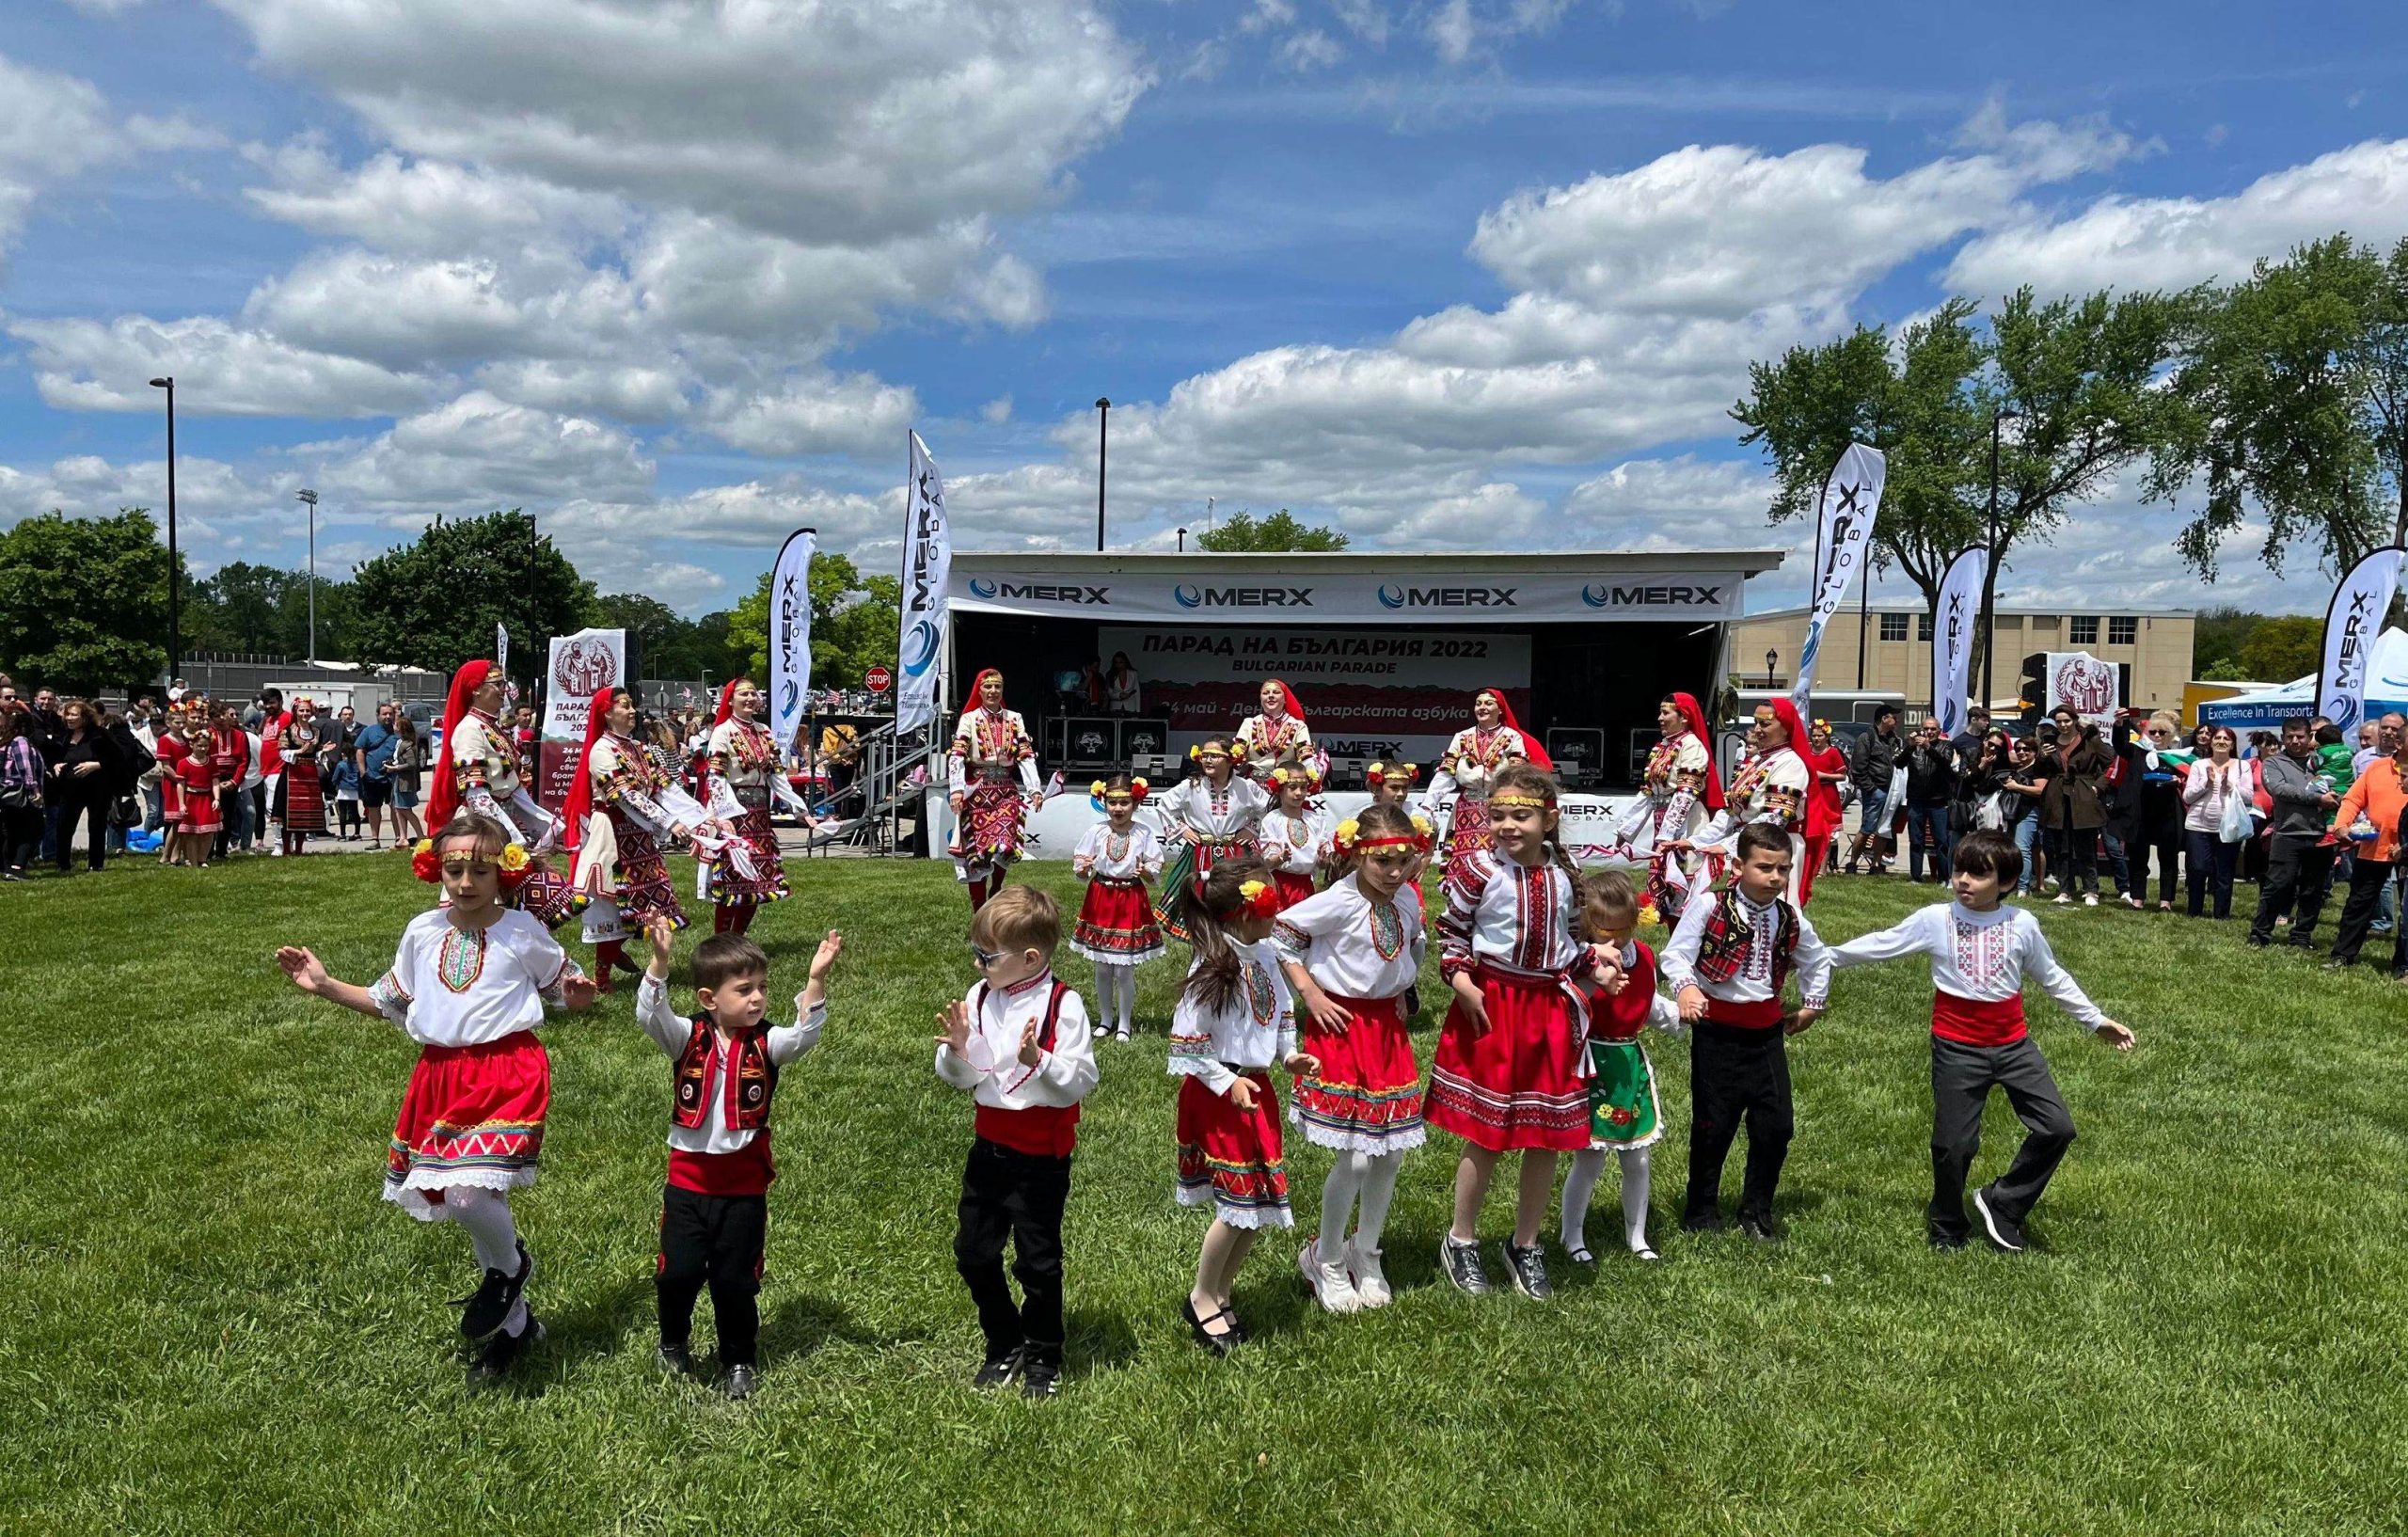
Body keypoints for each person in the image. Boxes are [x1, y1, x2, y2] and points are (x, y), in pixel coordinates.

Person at [274, 813, 597, 1384]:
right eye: (454, 870)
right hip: (439, 1075)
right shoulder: (422, 931)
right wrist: (324, 986)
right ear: (436, 870)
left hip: (507, 1070)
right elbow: (389, 1000)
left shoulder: (523, 931)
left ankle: (511, 1269)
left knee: (470, 1197)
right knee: (466, 1197)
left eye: (480, 871)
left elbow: (566, 991)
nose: (466, 882)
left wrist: (577, 996)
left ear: (504, 873)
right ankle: (516, 1328)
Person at [1828, 830, 2135, 1251]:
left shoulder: (2021, 924)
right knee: (1953, 1145)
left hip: (2014, 1047)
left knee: (2057, 1128)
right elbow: (1883, 944)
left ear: (2005, 882)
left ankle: (2003, 1203)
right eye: (1959, 870)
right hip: (1956, 1048)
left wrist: (2095, 1020)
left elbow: (2052, 976)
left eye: (1978, 874)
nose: (1963, 881)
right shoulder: (1936, 919)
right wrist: (1824, 957)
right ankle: (1947, 1224)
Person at [634, 917, 843, 1401]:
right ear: (709, 999)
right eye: (744, 990)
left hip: (743, 1188)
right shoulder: (686, 1036)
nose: (757, 999)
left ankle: (739, 1359)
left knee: (736, 1281)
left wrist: (815, 980)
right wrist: (660, 963)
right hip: (687, 1185)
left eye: (762, 988)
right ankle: (673, 1342)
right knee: (677, 1272)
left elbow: (804, 1034)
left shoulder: (768, 1042)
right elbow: (651, 1015)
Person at [1429, 763, 1596, 1300]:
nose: (1507, 826)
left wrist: (1596, 965)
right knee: (1488, 1132)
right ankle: (1461, 1238)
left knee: (1546, 1133)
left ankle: (1526, 1243)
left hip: (1548, 1010)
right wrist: (1462, 982)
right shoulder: (1478, 869)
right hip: (1493, 1005)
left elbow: (1570, 939)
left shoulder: (1566, 871)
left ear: (1549, 819)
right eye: (1498, 815)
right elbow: (1451, 932)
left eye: (1520, 816)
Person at [933, 886, 1096, 1399]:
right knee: (973, 1253)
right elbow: (971, 1074)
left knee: (1037, 1262)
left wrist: (1038, 1060)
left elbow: (1080, 1079)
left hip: (1041, 1154)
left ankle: (1044, 1352)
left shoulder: (1063, 1004)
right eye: (976, 953)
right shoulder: (980, 995)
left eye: (988, 956)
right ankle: (1004, 1339)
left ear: (1030, 958)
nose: (978, 964)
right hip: (989, 1145)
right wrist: (959, 1051)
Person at [1273, 804, 1434, 1313]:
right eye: (1382, 861)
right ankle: (1324, 1258)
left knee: (1390, 1154)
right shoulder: (1337, 900)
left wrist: (1402, 990)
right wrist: (1311, 994)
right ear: (1357, 855)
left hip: (1386, 1031)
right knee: (1356, 1155)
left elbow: (1409, 947)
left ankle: (1365, 1250)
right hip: (1342, 1028)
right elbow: (1281, 936)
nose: (1394, 872)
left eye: (1403, 861)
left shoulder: (1406, 897)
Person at [1661, 821, 1832, 1244]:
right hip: (1717, 1033)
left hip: (1766, 1035)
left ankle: (1757, 1210)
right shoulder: (1710, 906)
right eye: (1764, 867)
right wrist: (1686, 989)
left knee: (1776, 1125)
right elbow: (1676, 955)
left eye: (1783, 869)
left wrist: (1812, 1004)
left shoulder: (1789, 917)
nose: (1775, 877)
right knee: (1713, 1124)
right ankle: (1701, 1209)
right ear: (1737, 866)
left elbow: (1817, 959)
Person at [1164, 861, 1311, 1354]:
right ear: (1247, 912)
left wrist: (1288, 1055)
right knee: (1236, 1207)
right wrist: (1228, 1082)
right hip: (1219, 1096)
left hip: (1256, 1091)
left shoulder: (1266, 954)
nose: (1279, 912)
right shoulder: (1212, 964)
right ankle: (1202, 1295)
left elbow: (1283, 1013)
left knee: (1259, 1203)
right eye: (1272, 903)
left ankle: (1222, 1291)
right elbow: (1187, 1045)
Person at [1559, 872, 1681, 1264]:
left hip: (1628, 1063)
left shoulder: (1642, 957)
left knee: (1638, 1158)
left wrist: (1682, 1015)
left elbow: (1649, 1002)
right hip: (1591, 1063)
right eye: (1605, 931)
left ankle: (1637, 1235)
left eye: (1624, 930)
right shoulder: (1581, 961)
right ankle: (1572, 1236)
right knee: (1590, 1158)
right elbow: (1567, 1006)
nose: (1616, 940)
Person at [562, 687, 701, 990]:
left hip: (639, 835)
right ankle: (601, 977)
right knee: (614, 904)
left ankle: (614, 957)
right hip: (613, 834)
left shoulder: (639, 748)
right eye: (624, 706)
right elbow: (625, 796)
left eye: (631, 705)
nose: (632, 711)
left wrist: (699, 817)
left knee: (643, 903)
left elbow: (665, 788)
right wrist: (669, 822)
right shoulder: (601, 750)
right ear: (607, 713)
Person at [428, 660, 572, 926]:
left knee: (510, 902)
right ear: (476, 689)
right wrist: (510, 838)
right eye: (497, 684)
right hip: (480, 825)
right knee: (482, 896)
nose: (504, 689)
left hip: (503, 818)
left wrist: (544, 823)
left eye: (503, 683)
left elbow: (512, 785)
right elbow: (476, 793)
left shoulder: (491, 727)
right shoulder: (469, 730)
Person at [1675, 699, 1813, 908]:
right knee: (1742, 909)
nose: (1757, 729)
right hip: (1750, 845)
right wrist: (1698, 841)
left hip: (1776, 846)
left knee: (1773, 910)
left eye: (1765, 724)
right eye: (1756, 723)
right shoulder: (1758, 762)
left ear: (1785, 728)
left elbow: (1774, 818)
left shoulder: (1790, 763)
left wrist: (1728, 845)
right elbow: (1731, 812)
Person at [1069, 774, 1164, 1042]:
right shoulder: (1096, 831)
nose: (1118, 809)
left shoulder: (1143, 832)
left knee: (1124, 968)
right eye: (1112, 803)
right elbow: (1081, 864)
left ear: (1136, 803)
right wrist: (1084, 868)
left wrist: (1146, 871)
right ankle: (1105, 1019)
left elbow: (1155, 866)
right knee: (1102, 966)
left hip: (1130, 898)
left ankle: (1124, 1022)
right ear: (1104, 803)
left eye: (1124, 803)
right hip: (1101, 897)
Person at [1420, 688, 1545, 893]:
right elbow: (1446, 773)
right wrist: (1428, 805)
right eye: (1478, 703)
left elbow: (1518, 774)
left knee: (1496, 852)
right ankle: (1459, 896)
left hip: (1498, 807)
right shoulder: (1462, 737)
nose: (1482, 707)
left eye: (1488, 703)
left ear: (1500, 709)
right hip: (1466, 809)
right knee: (1462, 853)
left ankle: (1499, 894)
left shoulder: (1511, 737)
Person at [1611, 692, 1721, 924]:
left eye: (1666, 713)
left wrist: (1667, 836)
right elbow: (1648, 792)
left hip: (1687, 821)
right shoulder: (1664, 746)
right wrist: (1625, 831)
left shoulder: (1692, 746)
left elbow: (1685, 794)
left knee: (1683, 883)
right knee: (1665, 886)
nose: (1660, 718)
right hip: (1664, 820)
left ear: (1684, 718)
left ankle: (1689, 936)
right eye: (1660, 712)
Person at [1150, 737, 1272, 939]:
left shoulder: (1245, 786)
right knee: (1198, 896)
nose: (1207, 760)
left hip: (1235, 852)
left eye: (1214, 756)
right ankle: (1202, 943)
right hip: (1199, 851)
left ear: (1231, 760)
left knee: (1236, 898)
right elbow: (1165, 805)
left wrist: (1252, 829)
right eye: (1204, 755)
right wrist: (1182, 829)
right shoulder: (1192, 786)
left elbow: (1268, 808)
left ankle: (1234, 942)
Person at [945, 669, 1044, 914]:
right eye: (988, 687)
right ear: (979, 691)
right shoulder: (969, 719)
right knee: (977, 852)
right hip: (977, 791)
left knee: (1006, 841)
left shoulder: (1015, 718)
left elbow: (1025, 754)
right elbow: (957, 755)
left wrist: (1034, 788)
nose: (993, 691)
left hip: (1006, 790)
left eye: (997, 687)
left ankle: (997, 888)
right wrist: (956, 790)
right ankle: (979, 911)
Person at [704, 678, 798, 936]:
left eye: (753, 694)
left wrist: (799, 807)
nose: (749, 699)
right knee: (732, 878)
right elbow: (715, 777)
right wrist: (723, 815)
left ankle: (738, 937)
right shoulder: (723, 732)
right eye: (743, 694)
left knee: (756, 880)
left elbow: (777, 775)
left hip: (759, 813)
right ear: (730, 700)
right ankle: (722, 941)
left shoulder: (764, 731)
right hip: (734, 811)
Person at [2323, 712, 2408, 979]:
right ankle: (2342, 954)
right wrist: (2342, 825)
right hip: (2374, 846)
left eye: (2397, 731)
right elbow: (2352, 800)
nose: (2391, 735)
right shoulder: (2376, 768)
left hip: (2406, 851)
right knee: (2358, 904)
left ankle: (2403, 964)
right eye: (2387, 729)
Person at [2248, 718, 2342, 950]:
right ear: (2282, 738)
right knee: (2277, 885)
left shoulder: (2323, 761)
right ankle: (2260, 934)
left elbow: (2342, 783)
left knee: (2313, 890)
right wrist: (2318, 799)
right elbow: (2279, 789)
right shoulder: (2274, 763)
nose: (2295, 741)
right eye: (2289, 737)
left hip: (2321, 835)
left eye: (2300, 736)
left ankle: (2301, 936)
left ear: (2309, 737)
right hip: (2288, 833)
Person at [2038, 709, 2110, 907]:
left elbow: (2112, 765)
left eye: (2067, 721)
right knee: (2061, 848)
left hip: (2083, 794)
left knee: (2086, 846)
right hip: (2057, 797)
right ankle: (2065, 889)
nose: (2063, 725)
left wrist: (2098, 786)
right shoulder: (2049, 741)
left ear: (2075, 720)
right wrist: (2042, 757)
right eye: (2058, 721)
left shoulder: (2090, 740)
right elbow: (2039, 771)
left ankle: (2091, 890)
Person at [45, 697, 119, 874]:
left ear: (84, 717)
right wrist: (55, 765)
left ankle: (96, 864)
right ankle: (63, 863)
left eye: (74, 715)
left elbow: (118, 758)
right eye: (68, 715)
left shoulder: (99, 735)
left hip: (97, 788)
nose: (69, 718)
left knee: (96, 825)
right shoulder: (63, 735)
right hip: (70, 788)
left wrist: (96, 765)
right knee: (64, 825)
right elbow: (52, 756)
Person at [2179, 725, 2245, 920]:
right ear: (2211, 742)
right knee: (2198, 868)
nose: (2221, 742)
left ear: (2232, 744)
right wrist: (2206, 784)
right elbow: (2188, 797)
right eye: (2217, 738)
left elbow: (2249, 796)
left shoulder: (2242, 766)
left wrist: (2229, 785)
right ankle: (2194, 911)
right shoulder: (2199, 765)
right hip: (2198, 826)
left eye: (2226, 739)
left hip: (2229, 827)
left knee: (2224, 872)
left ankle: (2221, 914)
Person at [1258, 760, 1329, 911]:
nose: (1299, 793)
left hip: (1307, 886)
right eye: (1292, 787)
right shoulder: (1272, 819)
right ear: (1279, 788)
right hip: (1280, 886)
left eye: (1303, 787)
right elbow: (1268, 860)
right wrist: (1279, 858)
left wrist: (1323, 860)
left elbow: (1322, 860)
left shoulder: (1315, 819)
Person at [1846, 705, 1906, 874]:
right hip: (1875, 791)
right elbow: (1858, 767)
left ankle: (1875, 865)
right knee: (1867, 828)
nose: (1896, 721)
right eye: (1893, 717)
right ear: (1884, 719)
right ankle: (1852, 864)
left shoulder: (1894, 739)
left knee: (1883, 830)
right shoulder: (1867, 738)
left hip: (1892, 791)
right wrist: (1871, 789)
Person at [1903, 718, 1960, 884]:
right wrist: (1910, 747)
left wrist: (1929, 748)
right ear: (1921, 729)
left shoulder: (1946, 746)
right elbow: (1898, 763)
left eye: (1933, 729)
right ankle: (1916, 876)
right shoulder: (1914, 747)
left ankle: (1944, 877)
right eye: (1926, 729)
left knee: (1941, 840)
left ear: (1939, 731)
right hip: (1916, 800)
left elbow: (1945, 763)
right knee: (1916, 839)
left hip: (1938, 801)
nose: (1929, 732)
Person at [1799, 719, 1848, 904]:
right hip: (1811, 794)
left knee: (1827, 833)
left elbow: (1842, 775)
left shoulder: (1833, 752)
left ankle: (1822, 869)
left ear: (1827, 736)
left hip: (1827, 794)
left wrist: (1823, 775)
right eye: (1814, 735)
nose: (1817, 739)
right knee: (1810, 831)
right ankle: (1809, 866)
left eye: (1820, 735)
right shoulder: (1807, 751)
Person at [278, 700, 329, 857]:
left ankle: (299, 849)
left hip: (310, 773)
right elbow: (282, 752)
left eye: (307, 711)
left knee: (305, 812)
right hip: (293, 773)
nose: (305, 714)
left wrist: (323, 750)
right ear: (295, 712)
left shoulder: (316, 731)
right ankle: (287, 849)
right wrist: (299, 751)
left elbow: (316, 752)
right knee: (290, 812)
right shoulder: (288, 731)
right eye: (301, 711)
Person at [1999, 734, 2048, 895]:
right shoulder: (2016, 768)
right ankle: (2030, 885)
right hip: (2014, 812)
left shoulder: (2037, 768)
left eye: (2026, 749)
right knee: (2031, 848)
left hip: (2030, 812)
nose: (2021, 752)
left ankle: (2022, 887)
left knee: (2021, 849)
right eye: (2018, 749)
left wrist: (2016, 787)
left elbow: (2041, 791)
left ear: (2034, 751)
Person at [2, 707, 45, 880]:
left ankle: (7, 868)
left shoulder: (6, 742)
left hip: (7, 794)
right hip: (21, 794)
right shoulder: (20, 741)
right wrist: (34, 790)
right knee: (34, 830)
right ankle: (17, 866)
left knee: (12, 832)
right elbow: (25, 767)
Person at [356, 702, 399, 850]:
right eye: (384, 714)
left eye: (390, 714)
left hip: (394, 777)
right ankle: (375, 838)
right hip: (373, 777)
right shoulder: (369, 731)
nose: (388, 716)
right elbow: (360, 751)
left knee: (396, 807)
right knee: (373, 808)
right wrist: (363, 772)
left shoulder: (398, 731)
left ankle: (399, 838)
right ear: (378, 715)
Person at [389, 715, 426, 846]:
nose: (394, 726)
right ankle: (403, 837)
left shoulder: (408, 745)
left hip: (405, 781)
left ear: (402, 728)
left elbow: (411, 763)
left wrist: (396, 768)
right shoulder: (399, 742)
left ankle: (421, 835)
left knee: (405, 809)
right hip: (397, 779)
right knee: (397, 808)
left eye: (396, 724)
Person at [1104, 652, 1141, 717]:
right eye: (1116, 662)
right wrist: (1119, 695)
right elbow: (1110, 693)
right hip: (1115, 708)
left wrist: (1138, 711)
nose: (1119, 665)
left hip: (1131, 707)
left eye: (1121, 662)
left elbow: (1137, 692)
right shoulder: (1110, 674)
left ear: (1125, 662)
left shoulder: (1133, 673)